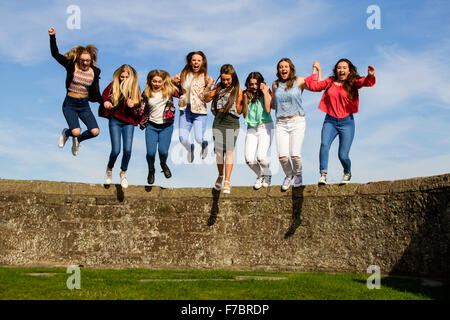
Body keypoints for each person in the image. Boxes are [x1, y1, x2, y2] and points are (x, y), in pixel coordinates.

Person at [305, 59, 376, 185]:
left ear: (349, 70)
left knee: (343, 155)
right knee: (324, 145)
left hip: (347, 122)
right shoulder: (330, 82)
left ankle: (347, 172)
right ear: (336, 70)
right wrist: (315, 70)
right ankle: (323, 174)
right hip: (330, 121)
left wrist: (370, 76)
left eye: (344, 68)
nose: (341, 70)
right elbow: (314, 86)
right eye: (339, 68)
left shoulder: (353, 82)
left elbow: (365, 82)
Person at [48, 27, 102, 156]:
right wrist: (52, 36)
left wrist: (104, 102)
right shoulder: (71, 66)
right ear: (78, 59)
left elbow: (96, 92)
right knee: (76, 130)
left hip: (84, 105)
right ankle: (66, 133)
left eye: (87, 60)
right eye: (82, 60)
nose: (84, 62)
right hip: (70, 104)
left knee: (95, 131)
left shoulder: (95, 71)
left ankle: (77, 140)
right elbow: (55, 54)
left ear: (91, 60)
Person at [271, 58, 321, 191]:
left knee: (295, 154)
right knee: (282, 156)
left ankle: (298, 174)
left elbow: (316, 85)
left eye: (285, 66)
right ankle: (289, 174)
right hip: (281, 122)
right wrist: (264, 92)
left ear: (290, 68)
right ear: (278, 70)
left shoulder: (299, 81)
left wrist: (317, 70)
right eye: (281, 67)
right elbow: (272, 105)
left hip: (297, 121)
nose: (283, 69)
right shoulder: (275, 84)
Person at [100, 64, 142, 188]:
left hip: (128, 121)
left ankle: (123, 173)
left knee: (128, 150)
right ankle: (109, 170)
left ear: (131, 77)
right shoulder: (114, 85)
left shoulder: (135, 87)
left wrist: (133, 103)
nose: (123, 79)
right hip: (115, 120)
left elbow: (139, 102)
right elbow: (104, 96)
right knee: (116, 150)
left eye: (126, 77)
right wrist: (106, 102)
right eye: (121, 77)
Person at [204, 64, 243, 194]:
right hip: (218, 120)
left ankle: (227, 180)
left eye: (228, 79)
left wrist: (243, 102)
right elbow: (207, 99)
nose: (225, 82)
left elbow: (239, 110)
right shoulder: (219, 87)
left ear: (233, 78)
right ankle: (220, 175)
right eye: (224, 79)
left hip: (231, 121)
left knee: (229, 151)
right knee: (220, 152)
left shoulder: (238, 90)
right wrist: (212, 87)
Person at [172, 51, 214, 162]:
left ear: (202, 62)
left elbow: (205, 96)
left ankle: (204, 144)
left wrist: (209, 85)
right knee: (182, 139)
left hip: (199, 111)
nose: (196, 62)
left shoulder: (205, 77)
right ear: (190, 62)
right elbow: (175, 88)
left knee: (199, 138)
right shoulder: (183, 74)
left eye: (199, 60)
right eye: (194, 60)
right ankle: (190, 148)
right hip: (185, 110)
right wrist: (172, 81)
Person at [140, 70, 179, 185]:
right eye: (154, 81)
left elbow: (182, 92)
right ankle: (151, 170)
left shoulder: (169, 90)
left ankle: (163, 164)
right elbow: (141, 108)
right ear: (150, 81)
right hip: (151, 126)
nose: (157, 84)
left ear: (163, 82)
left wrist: (177, 81)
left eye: (159, 82)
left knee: (163, 151)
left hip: (166, 126)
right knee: (151, 153)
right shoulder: (146, 93)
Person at [242, 72, 273, 189]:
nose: (254, 87)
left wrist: (265, 92)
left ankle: (267, 173)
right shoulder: (246, 94)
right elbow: (245, 115)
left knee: (261, 157)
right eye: (251, 84)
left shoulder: (265, 92)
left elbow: (268, 109)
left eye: (256, 84)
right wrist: (245, 99)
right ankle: (260, 175)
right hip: (251, 128)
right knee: (249, 159)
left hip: (265, 126)